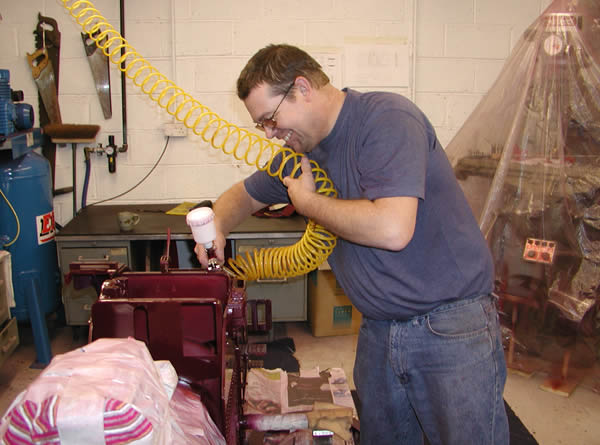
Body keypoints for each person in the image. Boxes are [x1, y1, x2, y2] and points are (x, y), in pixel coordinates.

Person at [195, 43, 509, 445]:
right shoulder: (302, 152)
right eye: (262, 127)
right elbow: (245, 194)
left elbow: (393, 229)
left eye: (270, 119)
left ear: (302, 88)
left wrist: (307, 203)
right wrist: (216, 225)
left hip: (448, 326)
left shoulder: (386, 120)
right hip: (379, 327)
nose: (271, 133)